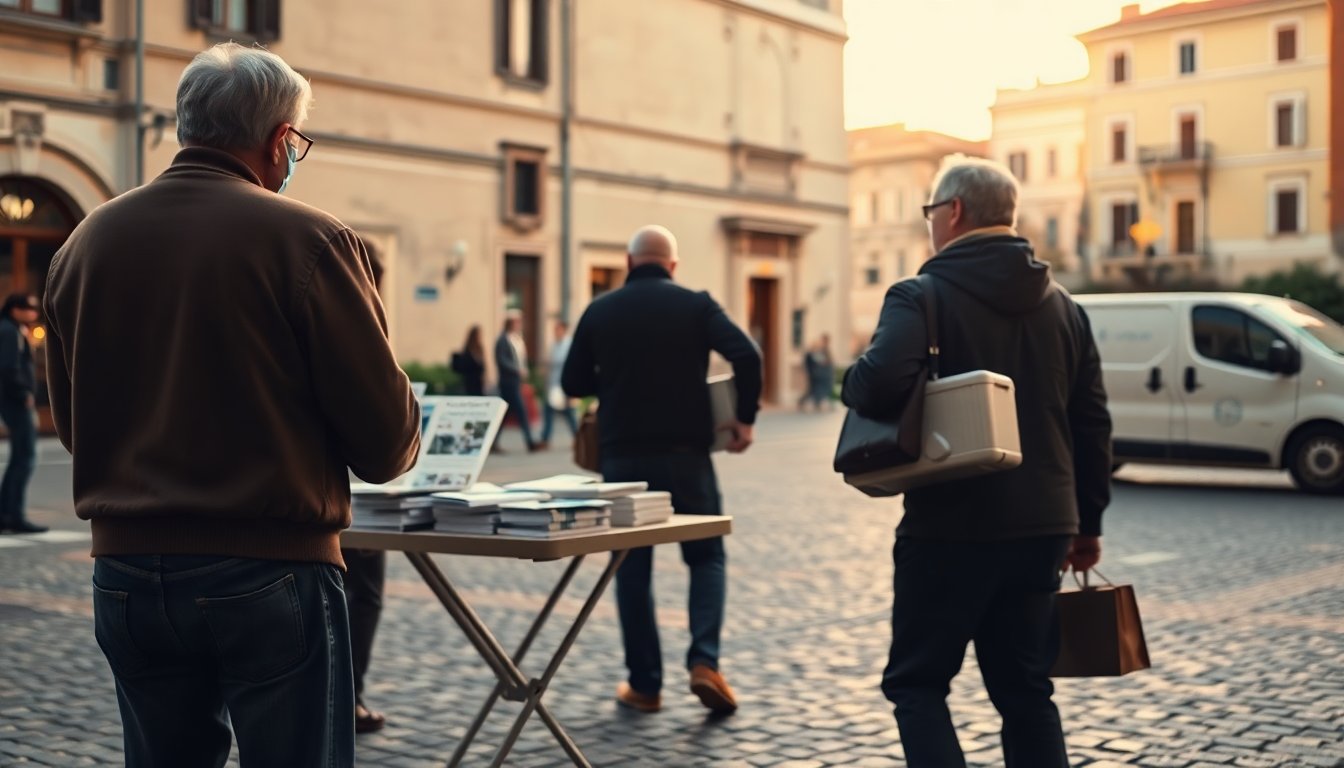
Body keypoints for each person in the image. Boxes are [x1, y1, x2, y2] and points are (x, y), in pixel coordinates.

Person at [42, 43, 421, 767]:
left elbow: (74, 425)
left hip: (125, 574)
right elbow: (385, 444)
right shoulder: (309, 239)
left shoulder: (85, 243)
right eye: (297, 143)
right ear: (280, 140)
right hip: (268, 566)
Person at [841, 154, 1111, 768]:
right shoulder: (1066, 306)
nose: (930, 222)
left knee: (917, 683)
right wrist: (1087, 525)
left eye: (931, 211)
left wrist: (850, 378)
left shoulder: (921, 293)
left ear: (953, 211)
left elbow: (877, 386)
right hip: (1045, 525)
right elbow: (1092, 424)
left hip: (949, 525)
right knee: (1025, 692)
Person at [562, 224, 762, 715]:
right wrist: (745, 418)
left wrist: (610, 377)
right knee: (706, 557)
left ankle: (646, 685)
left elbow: (572, 381)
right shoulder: (696, 305)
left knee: (631, 568)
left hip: (623, 457)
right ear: (672, 266)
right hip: (686, 455)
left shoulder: (601, 310)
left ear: (629, 263)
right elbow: (747, 354)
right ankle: (704, 663)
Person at [0, 293, 46, 535]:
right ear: (14, 308)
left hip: (14, 401)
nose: (34, 312)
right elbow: (8, 367)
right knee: (24, 458)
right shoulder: (9, 331)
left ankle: (6, 514)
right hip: (16, 402)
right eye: (28, 308)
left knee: (20, 458)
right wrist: (23, 394)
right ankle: (13, 515)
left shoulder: (15, 329)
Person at [494, 312, 539, 452]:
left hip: (515, 381)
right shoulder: (502, 339)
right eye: (517, 322)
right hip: (508, 382)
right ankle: (530, 442)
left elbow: (520, 358)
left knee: (504, 414)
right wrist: (517, 370)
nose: (519, 325)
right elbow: (502, 360)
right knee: (521, 411)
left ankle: (493, 442)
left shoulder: (517, 339)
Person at [538, 319, 579, 449]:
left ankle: (578, 438)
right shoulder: (554, 344)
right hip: (553, 384)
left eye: (558, 329)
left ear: (563, 330)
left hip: (564, 384)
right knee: (548, 411)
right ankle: (545, 438)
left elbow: (572, 366)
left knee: (569, 413)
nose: (555, 332)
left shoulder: (569, 344)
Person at [798, 334, 835, 412]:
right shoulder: (811, 354)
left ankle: (816, 403)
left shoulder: (822, 351)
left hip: (819, 374)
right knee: (813, 390)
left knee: (815, 390)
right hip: (815, 375)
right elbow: (812, 364)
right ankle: (806, 402)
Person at [452, 325, 487, 396]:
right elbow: (466, 365)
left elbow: (483, 364)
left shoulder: (479, 348)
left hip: (478, 381)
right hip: (470, 381)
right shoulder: (468, 349)